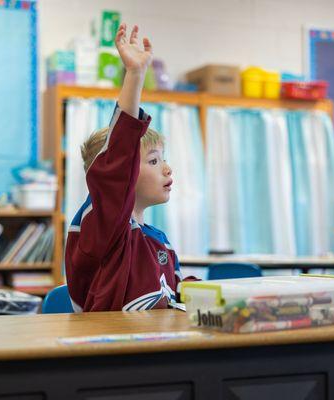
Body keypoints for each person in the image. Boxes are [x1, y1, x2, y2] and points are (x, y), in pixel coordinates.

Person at [65, 23, 190, 312]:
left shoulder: (161, 241)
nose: (168, 169)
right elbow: (118, 163)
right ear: (125, 173)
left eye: (164, 158)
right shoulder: (102, 226)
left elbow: (176, 293)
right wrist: (135, 74)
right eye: (154, 161)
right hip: (111, 352)